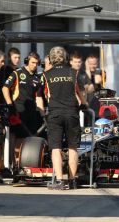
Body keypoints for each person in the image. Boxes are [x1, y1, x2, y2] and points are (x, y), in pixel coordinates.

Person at [41, 46, 87, 190]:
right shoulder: (74, 72)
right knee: (73, 148)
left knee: (56, 148)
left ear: (51, 59)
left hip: (55, 113)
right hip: (72, 113)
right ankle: (73, 181)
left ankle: (60, 181)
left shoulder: (46, 75)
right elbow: (80, 93)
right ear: (65, 58)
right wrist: (84, 105)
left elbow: (43, 95)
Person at [2, 52, 45, 166]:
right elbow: (5, 88)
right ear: (27, 61)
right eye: (32, 62)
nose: (35, 65)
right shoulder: (17, 73)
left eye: (37, 63)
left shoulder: (37, 78)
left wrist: (43, 114)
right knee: (18, 139)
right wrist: (10, 105)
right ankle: (15, 165)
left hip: (32, 112)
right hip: (18, 111)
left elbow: (39, 97)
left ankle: (25, 164)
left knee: (30, 139)